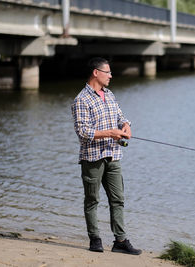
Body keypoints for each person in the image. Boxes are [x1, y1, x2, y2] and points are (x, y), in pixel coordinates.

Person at [71, 57, 141, 255]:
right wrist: (111, 133)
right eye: (107, 72)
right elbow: (83, 132)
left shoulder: (109, 95)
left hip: (113, 154)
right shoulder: (81, 100)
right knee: (92, 200)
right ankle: (95, 239)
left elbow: (120, 117)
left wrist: (126, 126)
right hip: (92, 158)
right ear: (96, 72)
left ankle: (120, 241)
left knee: (118, 199)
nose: (111, 76)